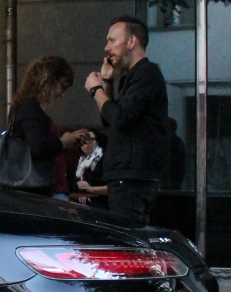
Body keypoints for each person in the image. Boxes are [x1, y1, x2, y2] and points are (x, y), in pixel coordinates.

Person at [84, 15, 169, 225]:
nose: (107, 47)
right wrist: (107, 83)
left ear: (132, 42)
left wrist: (96, 90)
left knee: (128, 243)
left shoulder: (146, 74)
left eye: (112, 40)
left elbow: (119, 118)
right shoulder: (134, 77)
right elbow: (111, 119)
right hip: (127, 180)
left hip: (132, 181)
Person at [11, 56, 89, 198]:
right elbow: (39, 147)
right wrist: (63, 142)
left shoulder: (25, 106)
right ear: (49, 81)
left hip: (38, 188)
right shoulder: (31, 108)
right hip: (40, 190)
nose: (62, 94)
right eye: (62, 86)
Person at [71, 130, 109, 208]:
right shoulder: (80, 160)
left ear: (97, 142)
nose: (87, 143)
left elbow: (110, 187)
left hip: (100, 201)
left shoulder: (104, 158)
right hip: (82, 200)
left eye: (90, 139)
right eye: (84, 141)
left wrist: (90, 189)